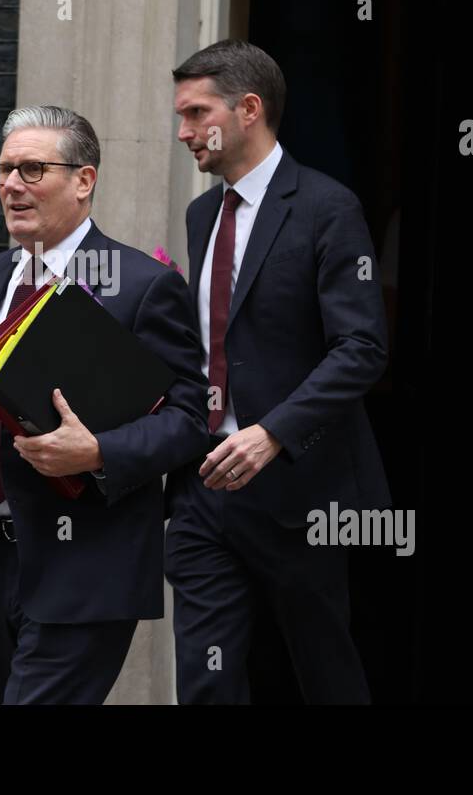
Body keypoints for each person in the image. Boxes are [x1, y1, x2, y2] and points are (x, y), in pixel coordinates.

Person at [0, 105, 208, 704]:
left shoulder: (141, 285)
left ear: (84, 180)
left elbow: (189, 419)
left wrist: (99, 452)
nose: (10, 185)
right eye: (2, 171)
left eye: (31, 169)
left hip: (87, 566)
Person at [167, 40, 390, 703]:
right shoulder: (202, 213)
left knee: (324, 674)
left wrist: (272, 433)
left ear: (249, 110)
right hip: (205, 490)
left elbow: (363, 347)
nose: (182, 132)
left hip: (299, 491)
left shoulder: (328, 207)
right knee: (206, 682)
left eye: (195, 113)